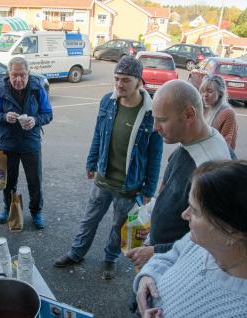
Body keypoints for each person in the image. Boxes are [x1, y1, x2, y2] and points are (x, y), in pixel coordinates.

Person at [134, 160, 247, 317]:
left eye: (195, 211)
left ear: (232, 231)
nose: (184, 214)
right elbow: (172, 255)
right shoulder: (207, 241)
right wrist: (148, 278)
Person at [54, 56, 163, 280]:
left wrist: (149, 190)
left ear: (138, 82)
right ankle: (76, 253)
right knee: (89, 219)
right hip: (103, 177)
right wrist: (91, 162)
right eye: (116, 78)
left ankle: (109, 260)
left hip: (129, 185)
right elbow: (98, 135)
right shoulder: (108, 101)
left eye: (125, 80)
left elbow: (155, 154)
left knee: (118, 226)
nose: (119, 84)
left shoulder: (151, 112)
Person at [126, 80, 233, 269]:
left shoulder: (210, 168)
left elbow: (211, 240)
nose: (154, 127)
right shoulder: (193, 140)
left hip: (173, 266)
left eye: (162, 120)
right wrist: (151, 218)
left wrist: (157, 251)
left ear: (189, 114)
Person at [0, 56, 53, 229]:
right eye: (14, 75)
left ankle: (36, 211)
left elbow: (48, 114)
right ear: (8, 74)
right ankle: (8, 208)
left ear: (28, 74)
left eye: (22, 75)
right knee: (8, 181)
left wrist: (35, 120)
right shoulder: (0, 90)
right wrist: (4, 117)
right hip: (7, 144)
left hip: (31, 143)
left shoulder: (37, 88)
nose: (18, 79)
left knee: (35, 181)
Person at [199, 74, 238, 149]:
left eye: (210, 91)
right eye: (203, 91)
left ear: (220, 93)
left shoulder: (228, 113)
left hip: (215, 157)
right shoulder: (201, 108)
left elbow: (225, 146)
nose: (205, 95)